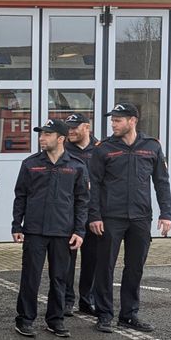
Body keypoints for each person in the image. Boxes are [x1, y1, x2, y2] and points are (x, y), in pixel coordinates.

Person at [89, 103, 171, 334]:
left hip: (141, 217)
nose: (113, 124)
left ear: (132, 120)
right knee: (105, 267)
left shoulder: (152, 146)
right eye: (112, 120)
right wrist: (94, 216)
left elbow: (161, 182)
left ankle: (129, 315)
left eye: (118, 120)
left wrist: (166, 213)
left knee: (135, 267)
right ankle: (104, 314)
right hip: (110, 217)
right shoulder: (103, 148)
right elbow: (93, 185)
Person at [12, 119, 89, 338]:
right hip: (35, 230)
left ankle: (55, 320)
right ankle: (25, 320)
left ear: (61, 138)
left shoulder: (76, 166)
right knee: (30, 277)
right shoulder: (30, 163)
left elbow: (82, 201)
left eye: (47, 134)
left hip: (63, 232)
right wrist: (17, 224)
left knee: (59, 279)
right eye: (41, 134)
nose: (41, 138)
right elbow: (21, 196)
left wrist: (79, 231)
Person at [63, 112, 99, 316]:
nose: (70, 131)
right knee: (67, 261)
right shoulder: (63, 149)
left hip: (94, 214)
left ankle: (87, 300)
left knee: (92, 260)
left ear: (87, 127)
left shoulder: (101, 149)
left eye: (75, 127)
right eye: (68, 128)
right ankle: (67, 300)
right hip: (70, 213)